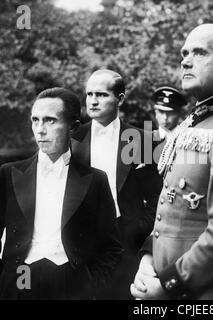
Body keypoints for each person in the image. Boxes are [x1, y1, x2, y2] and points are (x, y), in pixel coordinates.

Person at [131, 23, 213, 300]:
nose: (185, 60)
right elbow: (170, 211)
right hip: (172, 283)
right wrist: (147, 259)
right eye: (184, 53)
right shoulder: (195, 123)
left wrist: (169, 284)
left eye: (199, 53)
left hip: (209, 291)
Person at [0, 87, 123, 300]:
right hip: (19, 278)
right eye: (35, 120)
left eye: (50, 121)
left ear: (73, 127)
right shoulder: (9, 174)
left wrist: (91, 286)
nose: (40, 130)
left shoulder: (95, 180)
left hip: (71, 283)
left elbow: (110, 247)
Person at [71, 69, 162, 299]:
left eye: (101, 95)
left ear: (120, 99)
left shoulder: (143, 139)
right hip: (81, 245)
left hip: (126, 243)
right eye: (89, 94)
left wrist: (135, 230)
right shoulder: (71, 139)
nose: (92, 101)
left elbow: (157, 196)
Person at [152, 86, 188, 164]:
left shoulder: (187, 140)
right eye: (161, 112)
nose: (165, 117)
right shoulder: (147, 140)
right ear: (156, 112)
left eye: (170, 113)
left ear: (179, 113)